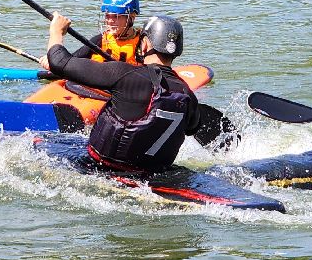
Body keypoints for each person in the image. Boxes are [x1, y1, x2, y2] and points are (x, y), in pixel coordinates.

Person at [46, 11, 198, 173]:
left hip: (99, 169)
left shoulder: (124, 74)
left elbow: (58, 62)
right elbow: (192, 128)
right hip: (153, 175)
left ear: (145, 44)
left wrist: (57, 31)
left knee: (40, 143)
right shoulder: (187, 95)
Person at [73, 0, 144, 63]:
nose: (110, 21)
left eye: (116, 16)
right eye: (107, 16)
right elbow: (69, 62)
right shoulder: (98, 41)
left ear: (131, 17)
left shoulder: (143, 44)